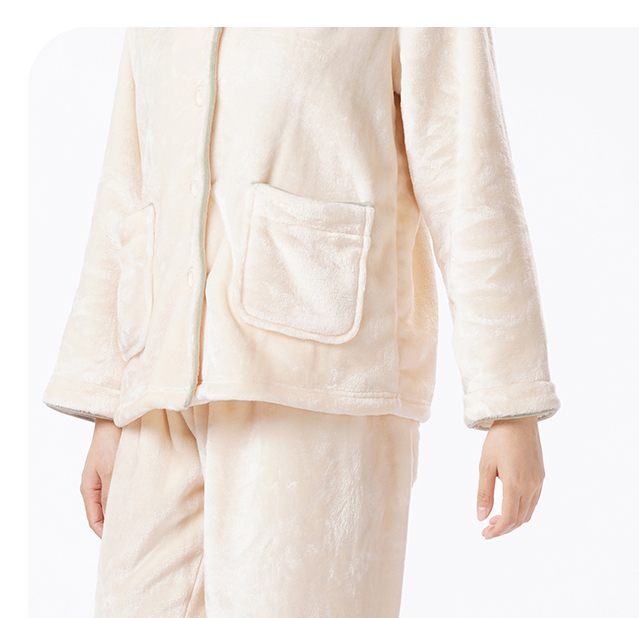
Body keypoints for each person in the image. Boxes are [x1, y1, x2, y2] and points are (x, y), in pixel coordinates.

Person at [42, 27, 561, 617]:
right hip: (158, 391)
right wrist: (108, 404)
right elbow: (127, 180)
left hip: (321, 379)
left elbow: (469, 173)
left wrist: (511, 403)